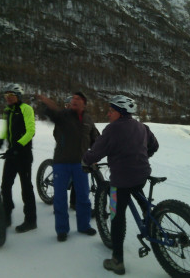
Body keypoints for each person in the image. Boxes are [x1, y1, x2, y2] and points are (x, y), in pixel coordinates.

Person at [82, 95, 159, 275]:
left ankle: (117, 261)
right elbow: (154, 146)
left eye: (111, 111)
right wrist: (140, 156)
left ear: (120, 112)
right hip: (141, 174)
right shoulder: (142, 127)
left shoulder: (112, 129)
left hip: (120, 181)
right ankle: (149, 216)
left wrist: (85, 161)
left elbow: (96, 153)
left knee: (116, 217)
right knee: (137, 190)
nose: (108, 114)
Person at [38, 92, 99, 242]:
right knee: (60, 198)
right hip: (61, 163)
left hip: (81, 163)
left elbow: (96, 140)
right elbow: (53, 113)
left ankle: (84, 226)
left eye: (78, 99)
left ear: (84, 103)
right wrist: (47, 104)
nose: (74, 100)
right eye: (73, 98)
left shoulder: (88, 119)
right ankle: (62, 229)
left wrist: (96, 156)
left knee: (83, 197)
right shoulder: (64, 115)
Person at [0, 84, 37, 233]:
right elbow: (6, 130)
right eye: (6, 96)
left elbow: (30, 131)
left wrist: (17, 146)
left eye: (11, 95)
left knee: (26, 187)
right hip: (12, 154)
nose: (8, 98)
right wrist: (0, 140)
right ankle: (7, 214)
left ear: (18, 96)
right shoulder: (7, 111)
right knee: (5, 186)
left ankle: (30, 221)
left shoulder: (26, 109)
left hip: (23, 154)